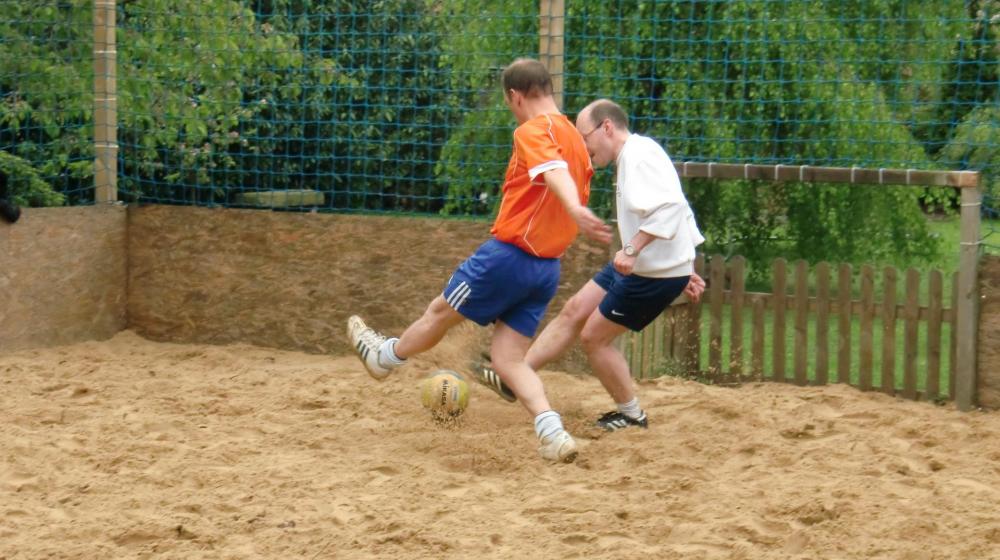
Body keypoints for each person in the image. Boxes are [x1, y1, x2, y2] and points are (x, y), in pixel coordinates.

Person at [347, 58, 612, 463]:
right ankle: (551, 431)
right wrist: (573, 209)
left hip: (508, 257)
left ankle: (385, 357)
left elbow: (552, 169)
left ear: (516, 96)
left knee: (439, 312)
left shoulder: (534, 129)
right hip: (546, 269)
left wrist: (573, 208)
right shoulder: (578, 139)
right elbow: (563, 170)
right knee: (508, 360)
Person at [473, 98, 706, 432]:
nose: (582, 147)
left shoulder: (639, 157)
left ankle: (631, 415)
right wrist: (684, 264)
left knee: (594, 338)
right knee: (575, 308)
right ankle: (514, 376)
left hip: (649, 273)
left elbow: (670, 209)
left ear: (607, 127)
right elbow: (678, 207)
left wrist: (637, 251)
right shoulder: (637, 153)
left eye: (584, 137)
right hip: (647, 265)